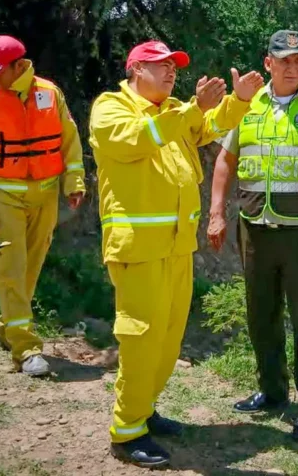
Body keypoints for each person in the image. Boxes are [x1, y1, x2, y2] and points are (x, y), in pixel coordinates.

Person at [88, 40, 263, 469]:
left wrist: (238, 102)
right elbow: (137, 139)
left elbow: (209, 124)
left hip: (177, 247)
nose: (171, 72)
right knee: (141, 339)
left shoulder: (173, 112)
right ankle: (127, 431)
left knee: (167, 340)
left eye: (174, 67)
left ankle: (144, 409)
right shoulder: (111, 108)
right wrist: (192, 108)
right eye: (161, 65)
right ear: (135, 70)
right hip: (138, 248)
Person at [208, 29, 298, 442]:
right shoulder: (246, 105)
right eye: (285, 60)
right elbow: (226, 160)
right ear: (268, 63)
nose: (292, 67)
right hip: (256, 230)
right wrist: (216, 212)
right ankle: (272, 392)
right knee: (261, 315)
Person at [0, 35, 86, 377]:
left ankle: (9, 327)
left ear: (19, 66)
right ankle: (26, 348)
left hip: (45, 196)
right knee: (9, 269)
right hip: (3, 198)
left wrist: (74, 181)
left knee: (30, 268)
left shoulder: (50, 93)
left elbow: (69, 138)